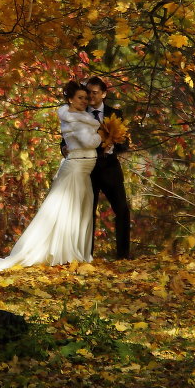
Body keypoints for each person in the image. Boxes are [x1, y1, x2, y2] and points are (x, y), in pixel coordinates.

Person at [0, 81, 112, 272]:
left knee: (79, 212)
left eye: (86, 98)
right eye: (80, 97)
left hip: (84, 170)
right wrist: (102, 136)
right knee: (65, 212)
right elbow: (87, 142)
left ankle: (74, 253)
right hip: (75, 169)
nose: (84, 101)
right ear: (70, 99)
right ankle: (61, 252)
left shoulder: (83, 117)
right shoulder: (72, 118)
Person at [85, 76, 131, 259]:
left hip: (111, 169)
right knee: (88, 214)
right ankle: (86, 255)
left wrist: (114, 147)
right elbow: (66, 139)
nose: (90, 96)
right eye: (88, 92)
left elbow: (125, 143)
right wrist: (64, 149)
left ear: (103, 94)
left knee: (122, 210)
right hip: (87, 170)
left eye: (94, 93)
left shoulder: (115, 114)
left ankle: (123, 256)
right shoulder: (80, 114)